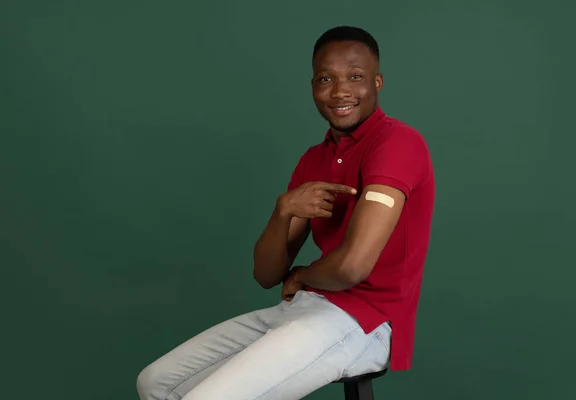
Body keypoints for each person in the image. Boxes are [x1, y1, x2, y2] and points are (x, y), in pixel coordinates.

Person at [136, 25, 435, 400]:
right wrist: (283, 212)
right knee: (155, 383)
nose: (340, 91)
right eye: (326, 79)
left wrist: (303, 275)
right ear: (313, 86)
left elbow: (353, 267)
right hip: (307, 306)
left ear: (377, 82)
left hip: (365, 321)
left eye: (355, 77)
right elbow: (266, 275)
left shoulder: (398, 142)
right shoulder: (315, 158)